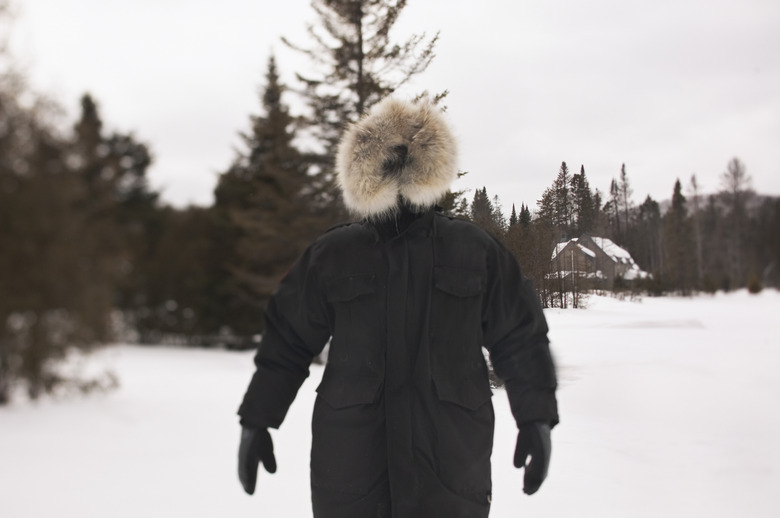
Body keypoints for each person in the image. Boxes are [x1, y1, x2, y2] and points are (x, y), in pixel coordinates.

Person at [237, 97, 559, 518]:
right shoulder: (334, 254)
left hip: (450, 466)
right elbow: (287, 341)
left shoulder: (474, 250)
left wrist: (536, 415)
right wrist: (258, 417)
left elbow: (520, 336)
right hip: (353, 468)